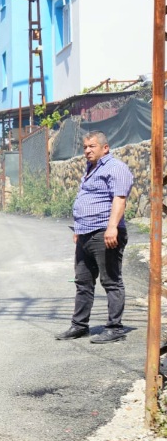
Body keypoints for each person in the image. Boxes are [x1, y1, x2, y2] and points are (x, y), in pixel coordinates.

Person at [55, 131, 134, 344]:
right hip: (86, 234)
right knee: (83, 281)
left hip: (104, 233)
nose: (87, 150)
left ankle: (115, 328)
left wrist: (112, 228)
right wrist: (79, 231)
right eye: (85, 147)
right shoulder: (91, 169)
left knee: (111, 281)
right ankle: (79, 325)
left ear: (105, 148)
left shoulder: (116, 168)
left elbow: (119, 198)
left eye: (92, 146)